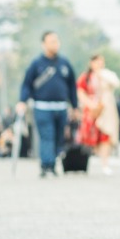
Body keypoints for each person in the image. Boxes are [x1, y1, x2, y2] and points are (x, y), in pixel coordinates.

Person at [17, 31, 78, 178]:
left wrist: (75, 106)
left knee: (58, 138)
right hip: (43, 107)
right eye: (51, 41)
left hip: (61, 107)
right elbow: (27, 85)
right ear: (43, 44)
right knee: (47, 136)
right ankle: (47, 165)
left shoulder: (64, 63)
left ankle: (52, 163)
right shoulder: (36, 64)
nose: (55, 44)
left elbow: (71, 86)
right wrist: (22, 101)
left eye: (56, 41)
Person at [77, 55, 120, 175]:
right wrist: (91, 105)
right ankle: (90, 160)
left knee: (105, 136)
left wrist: (102, 74)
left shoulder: (106, 75)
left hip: (106, 109)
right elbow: (81, 92)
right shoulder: (85, 77)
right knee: (92, 137)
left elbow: (116, 83)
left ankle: (105, 163)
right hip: (91, 109)